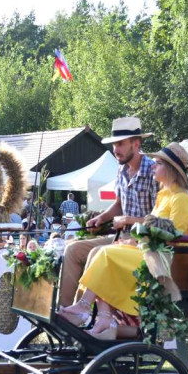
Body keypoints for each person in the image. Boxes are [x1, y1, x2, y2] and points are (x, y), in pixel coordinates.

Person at [58, 142, 188, 338]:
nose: (153, 166)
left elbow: (174, 235)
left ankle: (84, 307)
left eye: (158, 163)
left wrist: (135, 234)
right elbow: (153, 228)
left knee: (106, 253)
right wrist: (134, 240)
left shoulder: (181, 198)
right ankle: (100, 314)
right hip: (150, 251)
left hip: (164, 260)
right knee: (100, 251)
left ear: (171, 169)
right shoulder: (165, 195)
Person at [58, 116, 159, 307]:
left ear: (136, 144)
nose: (115, 150)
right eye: (114, 145)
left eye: (120, 144)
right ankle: (64, 311)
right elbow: (119, 204)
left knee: (97, 252)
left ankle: (80, 313)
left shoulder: (154, 171)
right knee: (72, 249)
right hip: (122, 237)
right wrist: (100, 219)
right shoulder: (121, 169)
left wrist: (128, 220)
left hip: (145, 241)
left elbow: (158, 220)